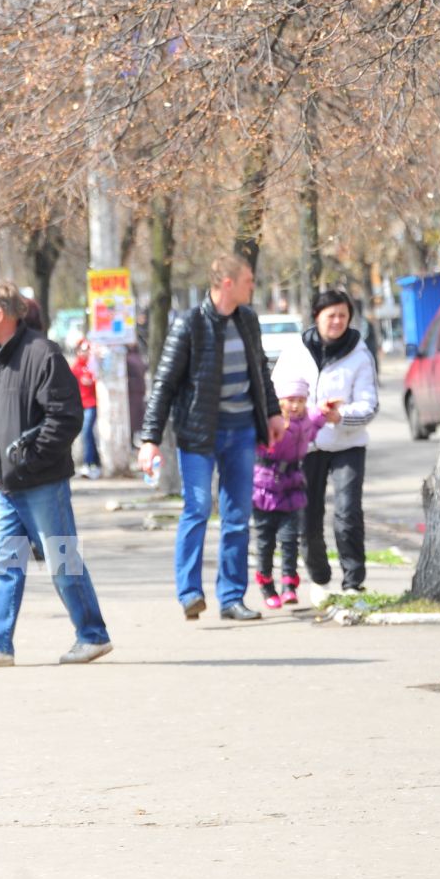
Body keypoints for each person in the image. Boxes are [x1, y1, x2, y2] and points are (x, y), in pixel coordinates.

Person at [0, 282, 112, 668]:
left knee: (62, 561)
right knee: (1, 564)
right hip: (3, 486)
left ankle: (92, 636)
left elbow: (66, 417)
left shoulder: (43, 354)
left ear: (0, 315)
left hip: (43, 482)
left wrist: (32, 459)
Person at [137, 254, 286, 621]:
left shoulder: (248, 320)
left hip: (241, 431)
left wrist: (272, 413)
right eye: (249, 280)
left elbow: (259, 371)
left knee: (237, 516)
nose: (254, 286)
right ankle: (189, 593)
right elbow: (164, 384)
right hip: (199, 434)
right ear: (227, 283)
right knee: (199, 508)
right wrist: (150, 438)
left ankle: (232, 597)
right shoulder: (190, 324)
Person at [277, 287, 378, 596]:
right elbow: (278, 394)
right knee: (308, 516)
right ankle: (319, 577)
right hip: (305, 445)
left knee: (347, 513)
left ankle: (353, 581)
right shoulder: (296, 350)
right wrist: (301, 416)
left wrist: (340, 416)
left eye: (343, 316)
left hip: (348, 443)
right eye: (331, 315)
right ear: (316, 317)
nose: (337, 321)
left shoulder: (359, 353)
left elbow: (369, 405)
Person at [251, 369, 333, 609]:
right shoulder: (271, 423)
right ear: (279, 401)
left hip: (292, 487)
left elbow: (315, 423)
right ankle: (266, 584)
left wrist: (325, 411)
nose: (295, 405)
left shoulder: (305, 422)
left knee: (289, 539)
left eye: (300, 400)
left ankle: (289, 583)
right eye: (290, 400)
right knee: (266, 541)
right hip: (264, 489)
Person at [69, 338, 101, 479]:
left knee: (86, 431)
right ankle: (95, 462)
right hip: (79, 405)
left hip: (92, 405)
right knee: (87, 435)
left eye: (87, 350)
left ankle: (89, 464)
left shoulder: (93, 366)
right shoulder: (75, 368)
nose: (84, 353)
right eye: (82, 350)